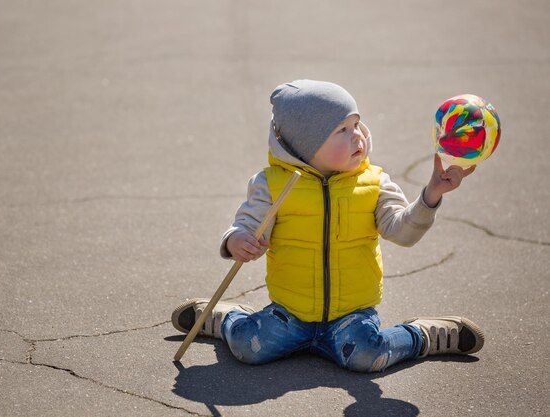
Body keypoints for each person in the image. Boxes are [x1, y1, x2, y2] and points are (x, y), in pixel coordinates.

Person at [171, 79, 484, 372]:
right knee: (247, 348)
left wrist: (431, 195)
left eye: (356, 124)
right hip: (291, 311)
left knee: (367, 356)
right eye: (342, 130)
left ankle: (422, 336)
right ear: (305, 147)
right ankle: (226, 319)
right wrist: (237, 240)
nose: (358, 135)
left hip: (352, 313)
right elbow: (249, 224)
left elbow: (403, 232)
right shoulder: (272, 184)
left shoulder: (374, 183)